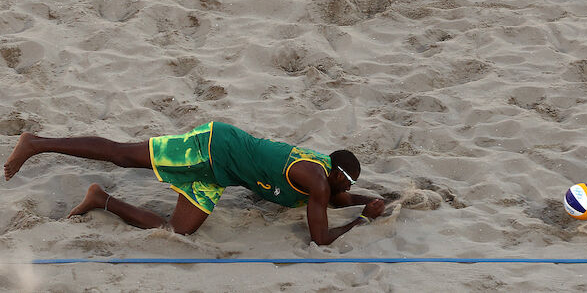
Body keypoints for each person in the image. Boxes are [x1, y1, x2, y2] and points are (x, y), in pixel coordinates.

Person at [3, 121, 385, 245]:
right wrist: (362, 220)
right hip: (212, 146)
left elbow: (340, 197)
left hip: (220, 174)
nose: (344, 186)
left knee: (178, 232)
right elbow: (320, 237)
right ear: (334, 172)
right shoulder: (316, 181)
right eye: (346, 180)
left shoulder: (326, 177)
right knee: (123, 154)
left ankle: (100, 199)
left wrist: (373, 199)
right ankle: (36, 143)